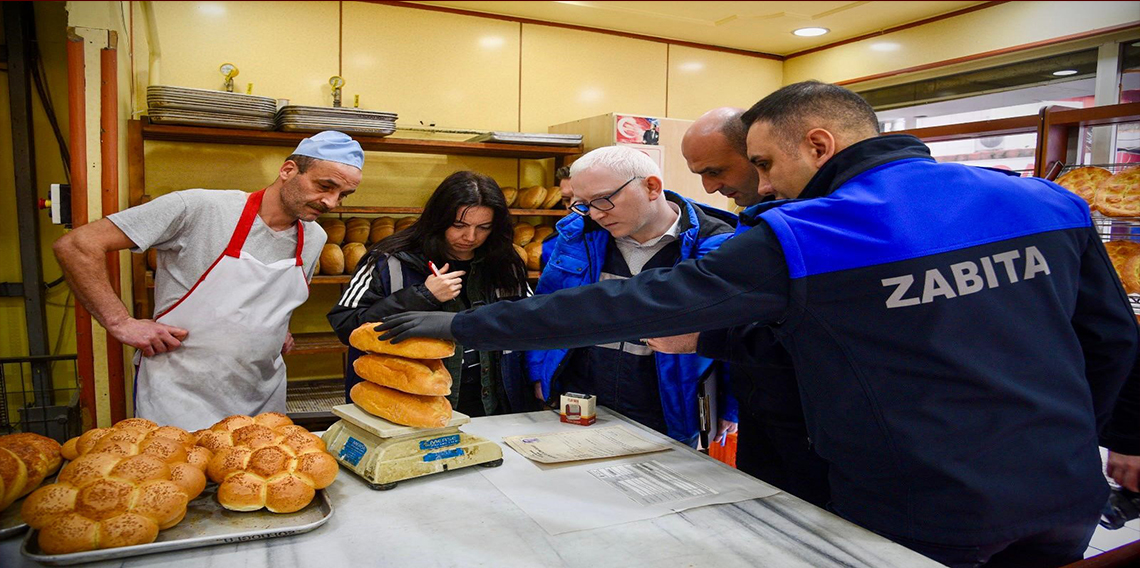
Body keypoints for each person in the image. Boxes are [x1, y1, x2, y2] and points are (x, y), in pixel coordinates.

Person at [374, 81, 1140, 567]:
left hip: (925, 504)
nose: (759, 188)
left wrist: (451, 328)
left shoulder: (811, 233)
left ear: (821, 144)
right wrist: (1115, 436)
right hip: (1064, 491)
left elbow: (627, 305)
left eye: (766, 165)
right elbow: (1111, 342)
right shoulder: (1047, 202)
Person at [54, 131, 363, 430]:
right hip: (182, 397)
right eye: (325, 186)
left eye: (343, 195)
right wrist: (120, 322)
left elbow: (277, 298)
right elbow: (77, 245)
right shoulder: (200, 209)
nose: (331, 203)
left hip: (262, 397)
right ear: (288, 170)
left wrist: (276, 328)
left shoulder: (314, 237)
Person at [522, 145, 738, 447]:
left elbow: (735, 331)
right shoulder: (575, 238)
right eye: (583, 204)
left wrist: (731, 406)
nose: (595, 214)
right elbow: (544, 309)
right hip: (579, 400)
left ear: (652, 187)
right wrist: (538, 374)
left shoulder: (717, 247)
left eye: (604, 200)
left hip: (667, 410)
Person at [670, 107, 829, 508]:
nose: (709, 188)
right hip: (764, 415)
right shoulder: (752, 222)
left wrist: (704, 339)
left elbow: (815, 339)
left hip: (814, 428)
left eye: (716, 171)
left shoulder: (815, 228)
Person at [327, 171, 532, 417]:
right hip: (409, 402)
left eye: (483, 227)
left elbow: (527, 325)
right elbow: (346, 325)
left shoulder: (505, 262)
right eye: (459, 225)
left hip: (494, 403)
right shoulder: (388, 259)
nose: (470, 237)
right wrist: (422, 296)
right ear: (438, 218)